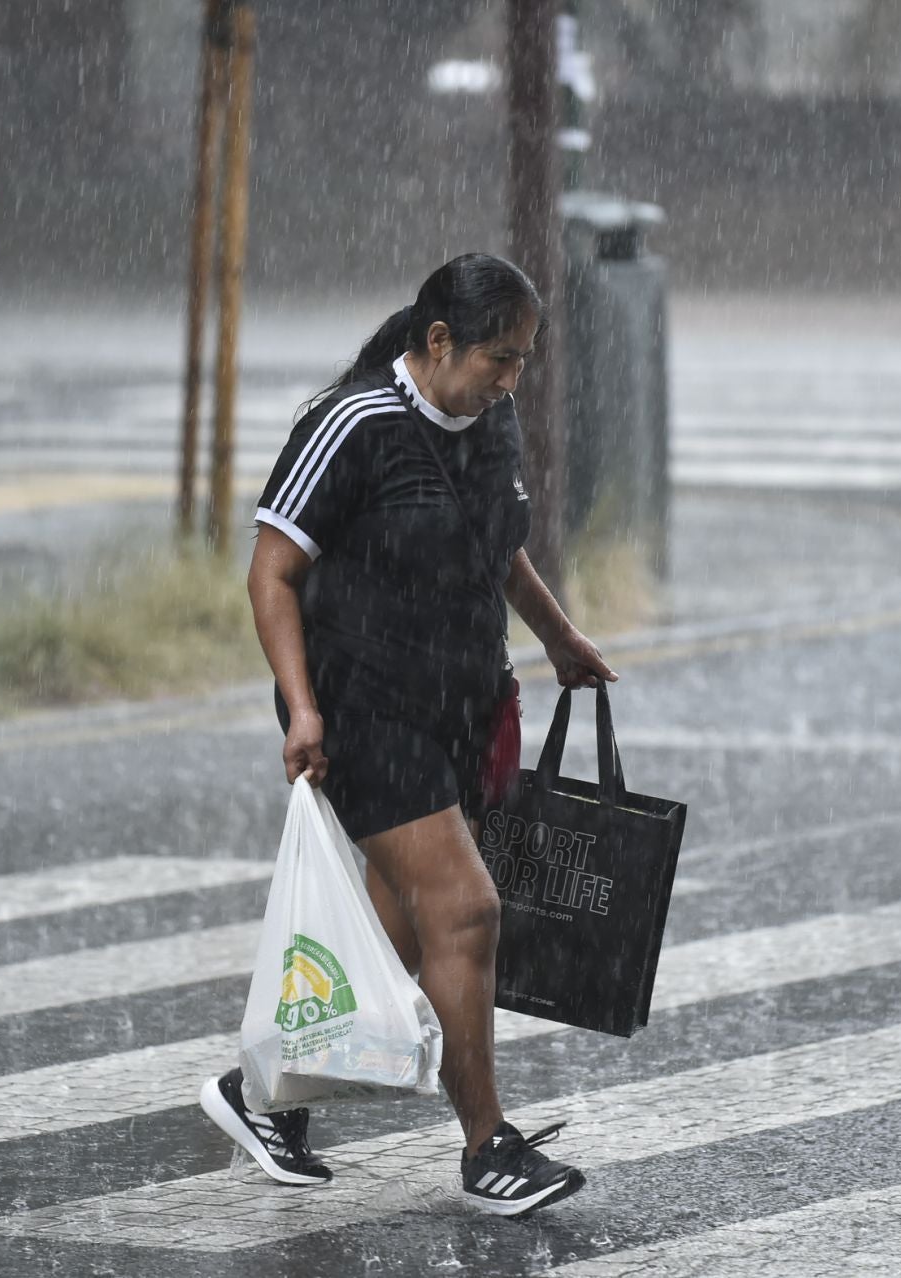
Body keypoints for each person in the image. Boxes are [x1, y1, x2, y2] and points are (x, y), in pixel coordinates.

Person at [202, 253, 615, 1218]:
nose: (513, 380)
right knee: (465, 910)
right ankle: (487, 1147)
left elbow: (495, 544)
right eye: (499, 358)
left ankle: (263, 1093)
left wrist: (558, 636)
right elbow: (271, 574)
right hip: (358, 702)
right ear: (439, 342)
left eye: (524, 360)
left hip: (455, 702)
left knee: (393, 929)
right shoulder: (351, 425)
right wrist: (303, 707)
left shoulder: (490, 420)